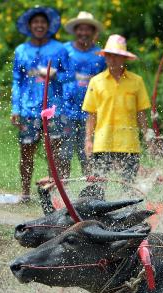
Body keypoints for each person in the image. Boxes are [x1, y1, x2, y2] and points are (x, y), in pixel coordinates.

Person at [11, 5, 70, 203]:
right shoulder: (21, 50)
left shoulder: (59, 49)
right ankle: (25, 192)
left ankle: (54, 193)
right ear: (29, 25)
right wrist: (15, 108)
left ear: (49, 25)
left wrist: (56, 75)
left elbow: (69, 75)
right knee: (26, 150)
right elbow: (16, 81)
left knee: (55, 152)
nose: (39, 25)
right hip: (28, 108)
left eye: (42, 22)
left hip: (53, 108)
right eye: (35, 22)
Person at [82, 34, 151, 197]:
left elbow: (141, 112)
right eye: (110, 55)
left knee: (129, 186)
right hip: (103, 142)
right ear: (105, 57)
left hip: (129, 143)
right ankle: (97, 216)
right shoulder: (96, 82)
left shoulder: (136, 81)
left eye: (117, 56)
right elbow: (92, 115)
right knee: (99, 185)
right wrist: (88, 140)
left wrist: (148, 135)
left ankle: (129, 216)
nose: (113, 59)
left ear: (124, 58)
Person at [60, 11, 106, 178]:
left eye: (88, 29)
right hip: (65, 111)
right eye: (80, 29)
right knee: (63, 154)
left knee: (89, 154)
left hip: (92, 113)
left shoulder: (100, 55)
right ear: (75, 31)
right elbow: (53, 76)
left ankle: (90, 193)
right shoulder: (64, 50)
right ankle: (62, 190)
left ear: (94, 32)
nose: (84, 33)